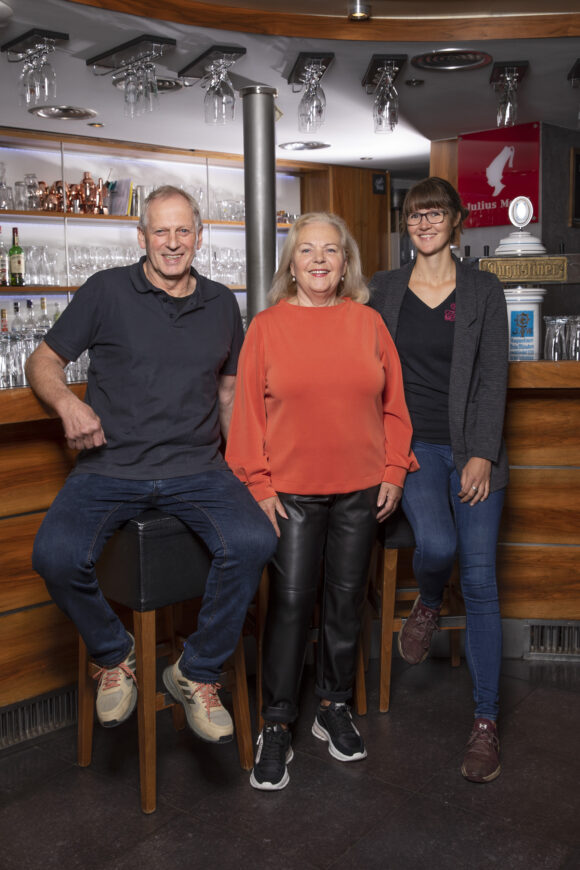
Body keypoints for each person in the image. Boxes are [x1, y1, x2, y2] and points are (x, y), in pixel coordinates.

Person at [25, 185, 277, 744]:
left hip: (198, 467)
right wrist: (67, 404)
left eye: (183, 230)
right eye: (160, 231)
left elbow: (228, 395)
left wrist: (248, 475)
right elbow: (41, 360)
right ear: (141, 237)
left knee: (255, 540)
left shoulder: (221, 303)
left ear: (200, 237)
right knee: (54, 555)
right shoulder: (106, 290)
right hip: (109, 467)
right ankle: (115, 654)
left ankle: (197, 671)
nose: (172, 242)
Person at [225, 212, 418, 791]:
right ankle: (277, 722)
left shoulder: (369, 324)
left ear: (345, 262)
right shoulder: (266, 327)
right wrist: (259, 485)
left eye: (330, 250)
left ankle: (333, 706)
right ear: (291, 264)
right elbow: (246, 417)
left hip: (362, 488)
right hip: (291, 494)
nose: (318, 260)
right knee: (289, 605)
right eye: (306, 250)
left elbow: (396, 407)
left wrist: (394, 470)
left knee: (345, 601)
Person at [368, 176, 509, 783]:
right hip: (413, 449)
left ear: (457, 221)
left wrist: (482, 453)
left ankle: (486, 723)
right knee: (437, 545)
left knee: (479, 581)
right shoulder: (384, 289)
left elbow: (495, 376)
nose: (424, 222)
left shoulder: (483, 289)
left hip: (474, 451)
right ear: (406, 224)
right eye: (414, 214)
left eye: (435, 213)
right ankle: (427, 602)